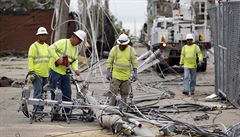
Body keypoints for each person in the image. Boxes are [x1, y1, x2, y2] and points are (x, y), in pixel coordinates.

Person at [48, 30, 86, 113]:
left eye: (80, 41)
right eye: (79, 40)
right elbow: (50, 48)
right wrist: (57, 58)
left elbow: (74, 60)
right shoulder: (63, 42)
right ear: (74, 37)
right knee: (55, 93)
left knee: (67, 93)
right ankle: (55, 112)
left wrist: (76, 69)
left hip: (65, 73)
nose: (79, 43)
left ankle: (67, 112)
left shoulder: (75, 49)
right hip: (55, 71)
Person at [106, 33, 138, 110]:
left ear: (127, 44)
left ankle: (123, 110)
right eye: (120, 44)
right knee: (113, 94)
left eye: (123, 45)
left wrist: (135, 73)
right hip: (115, 76)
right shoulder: (114, 49)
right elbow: (109, 61)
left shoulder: (131, 50)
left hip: (126, 77)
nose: (122, 46)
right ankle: (111, 109)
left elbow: (134, 62)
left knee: (125, 95)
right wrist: (108, 72)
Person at [28, 27, 49, 112]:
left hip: (46, 74)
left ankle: (41, 110)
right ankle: (37, 111)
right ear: (38, 36)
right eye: (41, 35)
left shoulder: (47, 46)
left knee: (44, 94)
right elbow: (30, 59)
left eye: (44, 35)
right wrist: (32, 71)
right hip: (37, 74)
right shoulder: (33, 46)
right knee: (37, 93)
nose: (43, 37)